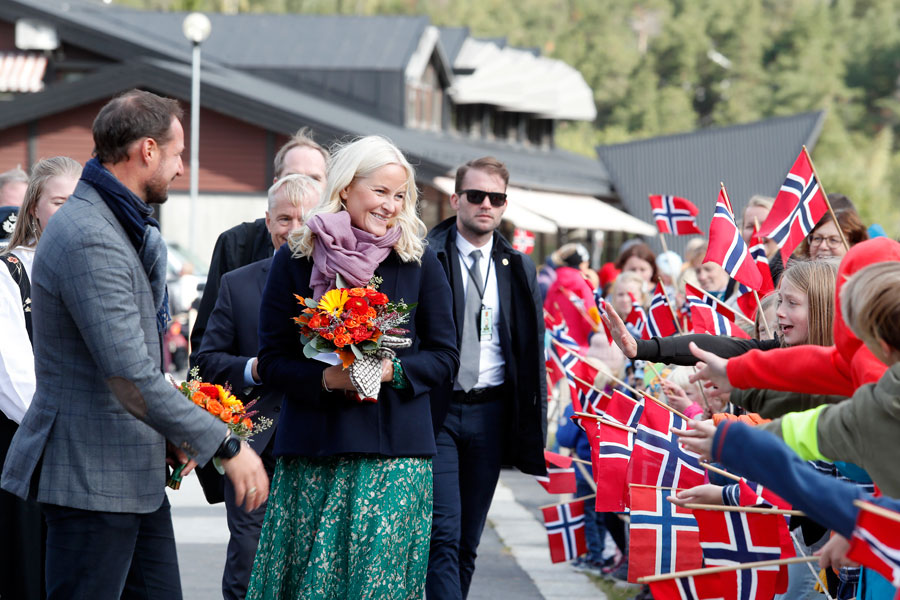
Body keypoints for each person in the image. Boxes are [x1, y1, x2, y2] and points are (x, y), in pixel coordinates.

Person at [0, 90, 269, 600]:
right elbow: (129, 378)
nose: (182, 167)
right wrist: (225, 445)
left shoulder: (115, 222)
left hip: (129, 476)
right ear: (148, 150)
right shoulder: (89, 234)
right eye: (178, 152)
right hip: (90, 478)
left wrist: (171, 433)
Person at [245, 135, 458, 598]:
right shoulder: (295, 258)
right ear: (346, 188)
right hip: (314, 453)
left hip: (395, 455)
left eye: (400, 195)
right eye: (380, 191)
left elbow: (444, 357)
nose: (391, 205)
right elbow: (274, 360)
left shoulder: (420, 259)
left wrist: (389, 372)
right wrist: (325, 377)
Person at [194, 174, 321, 600]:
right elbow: (205, 361)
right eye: (284, 218)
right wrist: (254, 368)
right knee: (248, 564)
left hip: (322, 444)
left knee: (310, 569)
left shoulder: (346, 283)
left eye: (304, 218)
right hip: (255, 444)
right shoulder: (238, 283)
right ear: (267, 222)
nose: (293, 228)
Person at [426, 156, 547, 600]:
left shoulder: (518, 267)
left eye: (495, 198)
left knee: (467, 542)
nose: (485, 205)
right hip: (440, 411)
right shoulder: (427, 257)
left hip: (491, 413)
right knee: (443, 533)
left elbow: (530, 349)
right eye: (475, 196)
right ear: (456, 199)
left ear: (504, 205)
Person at [0, 156, 80, 600]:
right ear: (33, 208)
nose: (70, 213)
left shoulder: (96, 268)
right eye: (58, 202)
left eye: (78, 202)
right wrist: (65, 434)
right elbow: (12, 378)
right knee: (30, 571)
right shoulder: (8, 272)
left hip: (85, 450)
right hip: (27, 445)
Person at [189, 128, 328, 365]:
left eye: (313, 179)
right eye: (292, 177)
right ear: (276, 185)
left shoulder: (345, 256)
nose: (300, 185)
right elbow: (207, 344)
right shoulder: (236, 245)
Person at [544, 243, 597, 349]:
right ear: (581, 263)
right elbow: (591, 317)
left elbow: (547, 314)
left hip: (558, 345)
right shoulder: (582, 283)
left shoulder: (554, 283)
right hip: (580, 347)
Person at [798, 206, 868, 261]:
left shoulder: (865, 279)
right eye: (817, 238)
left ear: (853, 245)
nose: (823, 246)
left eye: (833, 240)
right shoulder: (794, 278)